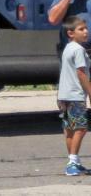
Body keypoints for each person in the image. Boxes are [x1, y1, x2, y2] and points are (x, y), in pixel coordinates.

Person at [57, 15, 91, 176]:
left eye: (86, 28)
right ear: (71, 33)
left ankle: (74, 162)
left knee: (69, 129)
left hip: (63, 95)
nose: (86, 32)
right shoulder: (79, 50)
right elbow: (81, 73)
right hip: (75, 95)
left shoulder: (68, 48)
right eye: (81, 29)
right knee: (81, 128)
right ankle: (72, 162)